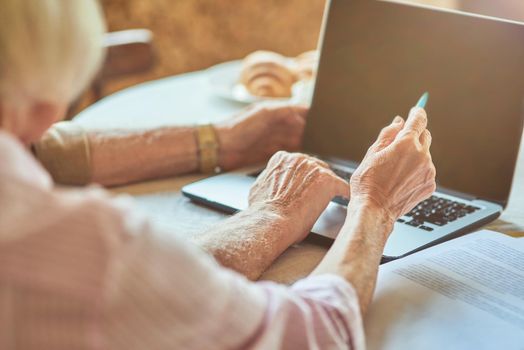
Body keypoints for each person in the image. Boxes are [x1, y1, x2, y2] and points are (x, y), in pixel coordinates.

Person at [0, 1, 436, 349]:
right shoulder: (94, 253)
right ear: (46, 107)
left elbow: (49, 152)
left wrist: (224, 140)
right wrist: (376, 204)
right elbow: (314, 334)